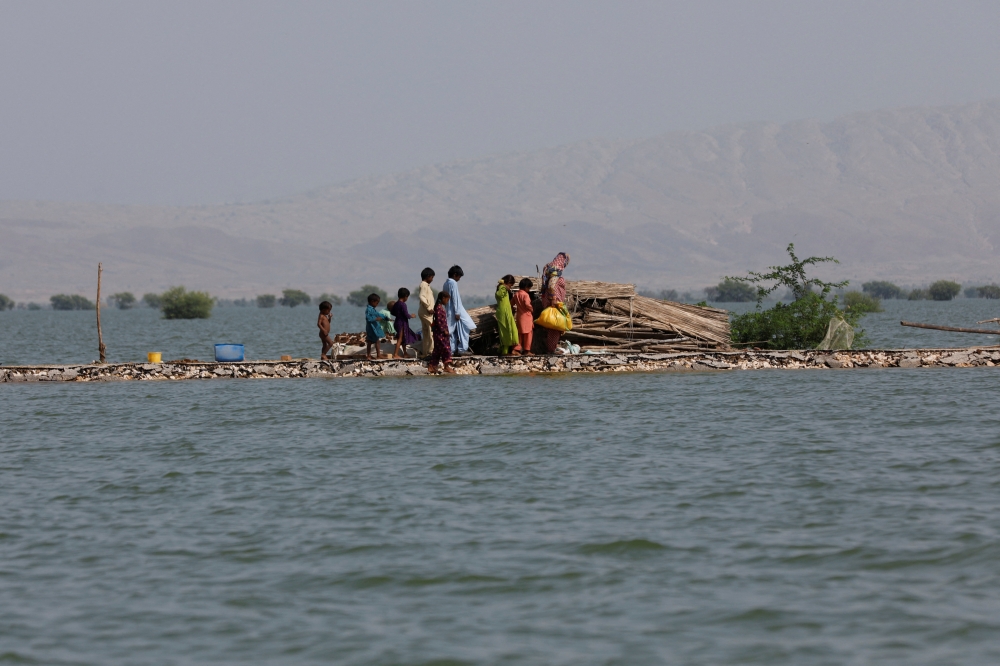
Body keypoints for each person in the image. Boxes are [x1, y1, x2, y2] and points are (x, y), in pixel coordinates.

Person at [442, 265, 476, 355]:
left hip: (449, 310)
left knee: (452, 331)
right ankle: (462, 349)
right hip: (456, 311)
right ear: (455, 275)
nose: (459, 279)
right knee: (465, 328)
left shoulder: (445, 283)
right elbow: (455, 298)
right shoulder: (453, 283)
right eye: (459, 277)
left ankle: (452, 350)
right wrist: (457, 312)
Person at [540, 252, 570, 353]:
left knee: (552, 326)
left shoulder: (548, 269)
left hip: (548, 301)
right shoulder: (555, 271)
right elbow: (551, 286)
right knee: (555, 326)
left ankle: (552, 347)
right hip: (554, 302)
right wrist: (553, 300)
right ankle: (551, 349)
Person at [427, 291, 455, 374]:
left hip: (439, 332)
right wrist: (444, 330)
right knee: (445, 348)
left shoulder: (439, 307)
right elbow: (439, 321)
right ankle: (446, 366)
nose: (447, 301)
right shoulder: (439, 308)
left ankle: (432, 366)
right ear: (443, 298)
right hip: (440, 333)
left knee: (437, 350)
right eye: (447, 299)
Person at [390, 287, 420, 358]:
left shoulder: (396, 303)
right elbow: (406, 315)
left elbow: (392, 312)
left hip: (397, 322)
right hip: (402, 323)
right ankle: (395, 354)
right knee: (400, 339)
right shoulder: (403, 304)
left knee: (403, 338)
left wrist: (399, 315)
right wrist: (411, 316)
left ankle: (405, 353)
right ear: (405, 296)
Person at [495, 275, 519, 355]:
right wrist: (504, 287)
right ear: (508, 283)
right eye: (510, 285)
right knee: (506, 331)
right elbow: (499, 295)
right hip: (503, 312)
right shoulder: (502, 288)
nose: (510, 287)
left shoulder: (503, 288)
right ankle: (504, 352)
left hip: (507, 312)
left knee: (509, 330)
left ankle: (505, 350)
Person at [364, 293, 389, 360]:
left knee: (377, 340)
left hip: (374, 327)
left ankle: (378, 355)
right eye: (377, 303)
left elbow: (378, 314)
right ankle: (369, 355)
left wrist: (385, 318)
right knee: (369, 341)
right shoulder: (368, 309)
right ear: (372, 301)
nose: (377, 304)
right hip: (371, 328)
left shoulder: (372, 309)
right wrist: (375, 319)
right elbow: (368, 318)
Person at [513, 278, 535, 355]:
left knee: (519, 334)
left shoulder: (516, 294)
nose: (529, 290)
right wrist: (531, 309)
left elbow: (511, 303)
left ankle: (516, 349)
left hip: (519, 316)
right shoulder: (525, 295)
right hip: (527, 316)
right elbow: (527, 304)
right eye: (529, 288)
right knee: (528, 334)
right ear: (526, 287)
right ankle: (527, 350)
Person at [418, 267, 436, 358]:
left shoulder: (424, 285)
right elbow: (422, 296)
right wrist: (429, 307)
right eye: (432, 277)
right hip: (426, 313)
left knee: (426, 332)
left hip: (424, 312)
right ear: (428, 276)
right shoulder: (424, 285)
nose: (432, 280)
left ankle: (425, 352)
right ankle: (430, 352)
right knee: (431, 332)